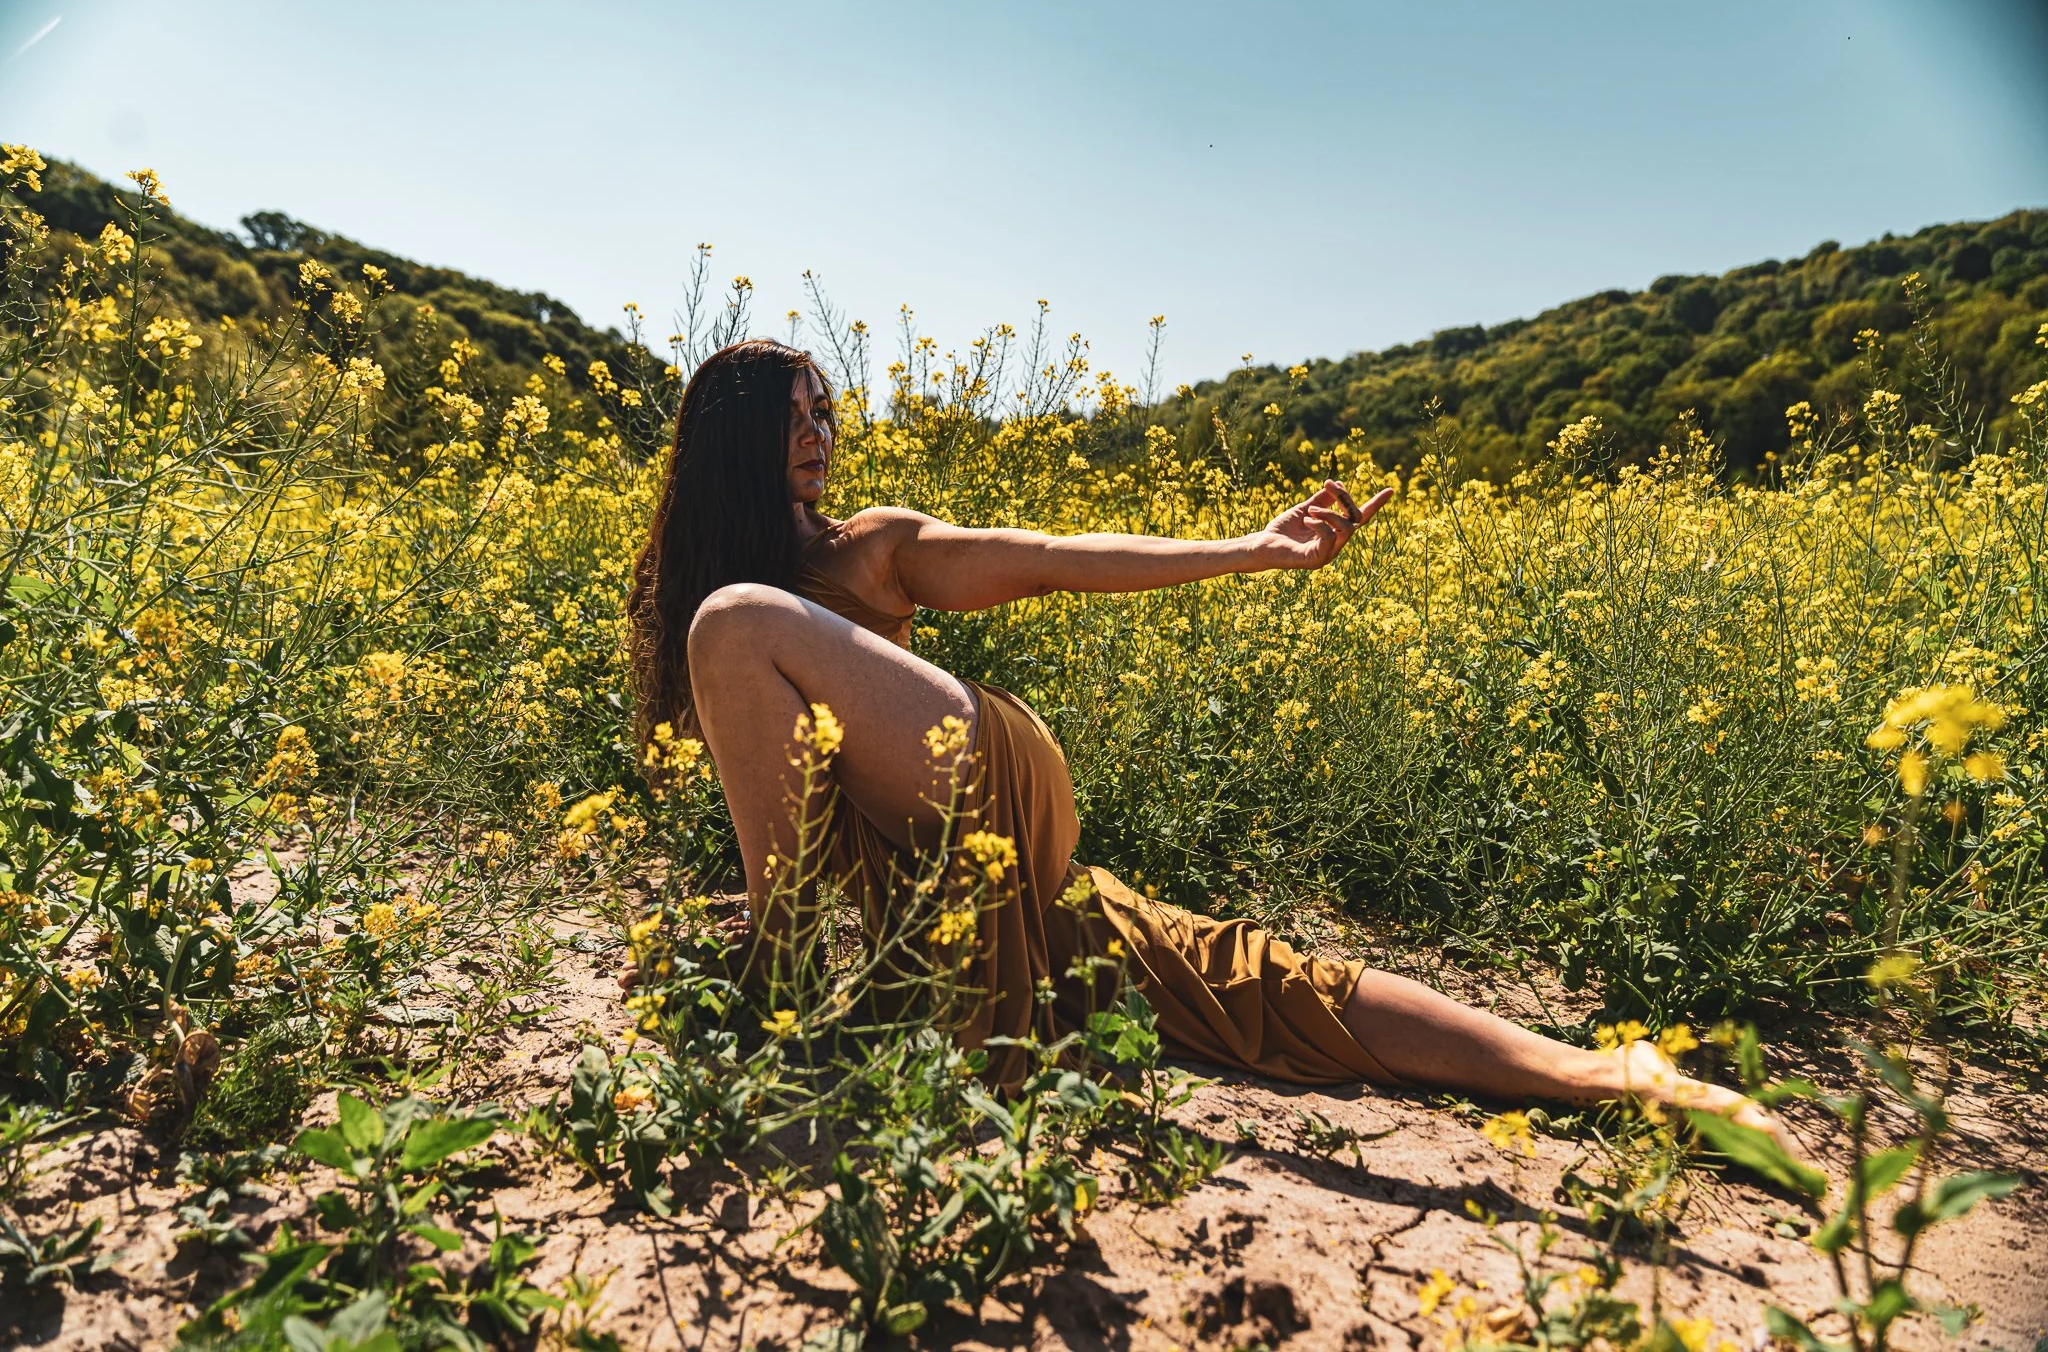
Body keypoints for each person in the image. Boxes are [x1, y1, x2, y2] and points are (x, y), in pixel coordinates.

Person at [625, 338, 1794, 1147]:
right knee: (1263, 989)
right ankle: (1605, 1073)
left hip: (992, 782)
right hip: (962, 881)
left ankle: (774, 985)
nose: (819, 433)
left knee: (731, 621)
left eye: (823, 410)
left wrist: (1247, 547)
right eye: (791, 421)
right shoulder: (722, 607)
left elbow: (1048, 555)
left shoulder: (867, 550)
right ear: (728, 447)